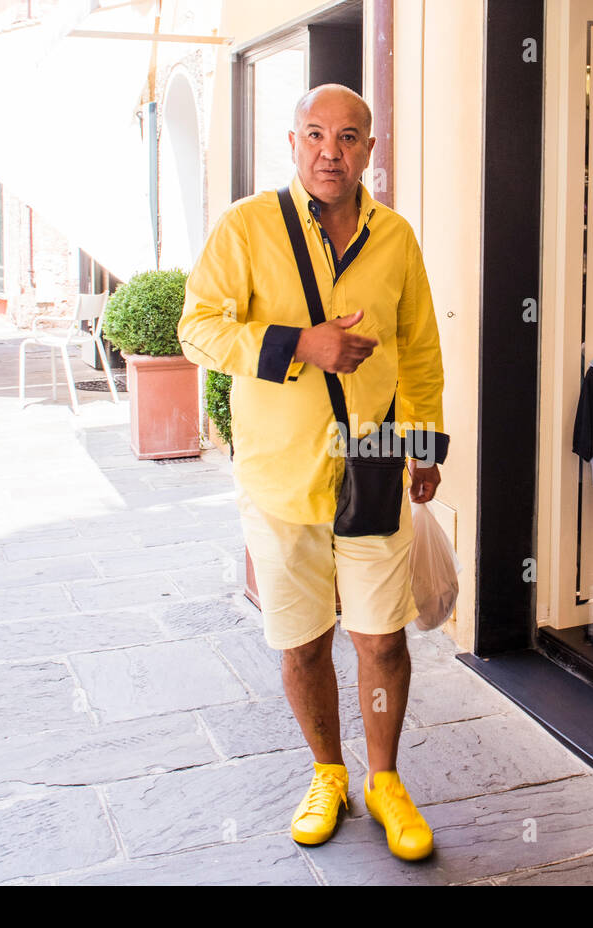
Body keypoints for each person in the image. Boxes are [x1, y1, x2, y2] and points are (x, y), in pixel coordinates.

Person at [177, 84, 449, 862]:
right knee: (301, 643)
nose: (332, 151)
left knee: (382, 639)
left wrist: (424, 444)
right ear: (293, 143)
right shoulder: (247, 226)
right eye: (317, 135)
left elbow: (420, 350)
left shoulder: (395, 237)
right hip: (279, 471)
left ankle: (386, 780)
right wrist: (301, 345)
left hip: (372, 462)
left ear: (371, 148)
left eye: (350, 137)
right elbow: (198, 327)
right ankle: (327, 771)